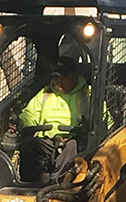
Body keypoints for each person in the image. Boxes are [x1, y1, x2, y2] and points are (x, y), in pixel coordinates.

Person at [18, 55, 89, 184]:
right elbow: (30, 114)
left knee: (72, 147)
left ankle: (59, 184)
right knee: (29, 145)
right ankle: (35, 183)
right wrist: (22, 122)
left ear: (74, 76)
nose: (58, 81)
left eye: (62, 77)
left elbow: (103, 120)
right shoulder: (45, 93)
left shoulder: (87, 95)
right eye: (55, 77)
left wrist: (87, 126)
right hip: (46, 140)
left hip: (71, 139)